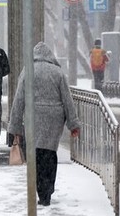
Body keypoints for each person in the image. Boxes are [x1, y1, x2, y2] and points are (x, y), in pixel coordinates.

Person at [8, 41, 81, 206]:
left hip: (34, 118)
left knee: (35, 155)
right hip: (54, 119)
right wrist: (73, 124)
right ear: (50, 56)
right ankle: (48, 188)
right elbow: (67, 100)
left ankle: (41, 189)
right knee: (49, 153)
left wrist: (15, 126)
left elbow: (19, 99)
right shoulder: (58, 72)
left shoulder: (28, 71)